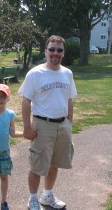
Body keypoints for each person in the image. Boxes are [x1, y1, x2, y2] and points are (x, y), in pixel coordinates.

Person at [18, 35, 77, 210]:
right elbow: (26, 101)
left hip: (62, 125)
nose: (55, 53)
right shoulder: (35, 73)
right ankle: (33, 198)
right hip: (42, 125)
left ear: (63, 53)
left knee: (54, 163)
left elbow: (69, 99)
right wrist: (27, 127)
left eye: (59, 50)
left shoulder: (67, 73)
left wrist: (69, 123)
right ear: (45, 51)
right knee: (38, 165)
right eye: (51, 49)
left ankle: (47, 195)